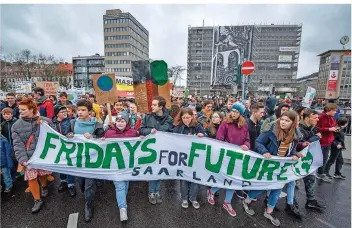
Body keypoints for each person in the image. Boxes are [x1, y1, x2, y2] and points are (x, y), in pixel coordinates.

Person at [243, 110, 300, 227]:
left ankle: (268, 212)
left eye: (287, 121)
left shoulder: (295, 135)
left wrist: (294, 155)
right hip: (268, 166)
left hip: (281, 168)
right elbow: (258, 142)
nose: (283, 122)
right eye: (282, 119)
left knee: (277, 189)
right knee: (263, 187)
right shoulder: (271, 130)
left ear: (293, 123)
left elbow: (291, 149)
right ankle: (247, 200)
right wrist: (265, 152)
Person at [12, 98, 56, 213]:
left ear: (31, 109)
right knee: (31, 178)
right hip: (29, 158)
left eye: (23, 109)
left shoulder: (45, 121)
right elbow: (18, 144)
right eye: (19, 109)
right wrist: (23, 159)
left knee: (42, 174)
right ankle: (37, 199)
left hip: (42, 156)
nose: (20, 112)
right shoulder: (16, 126)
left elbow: (55, 137)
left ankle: (44, 186)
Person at [207, 102, 250, 217]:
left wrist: (246, 145)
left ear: (241, 114)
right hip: (226, 156)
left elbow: (247, 139)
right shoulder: (225, 123)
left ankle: (227, 202)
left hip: (238, 157)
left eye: (237, 112)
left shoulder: (244, 125)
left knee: (234, 180)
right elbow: (219, 139)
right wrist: (227, 148)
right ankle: (212, 191)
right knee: (225, 179)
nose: (234, 113)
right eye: (233, 111)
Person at [66, 100, 105, 222]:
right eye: (79, 110)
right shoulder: (72, 122)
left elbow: (102, 137)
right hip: (78, 159)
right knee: (81, 182)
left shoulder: (96, 124)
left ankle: (88, 204)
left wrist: (93, 137)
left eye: (83, 110)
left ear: (90, 112)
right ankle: (87, 194)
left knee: (89, 184)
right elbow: (66, 134)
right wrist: (69, 135)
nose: (80, 112)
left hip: (92, 160)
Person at [103, 112, 138, 221]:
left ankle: (122, 199)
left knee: (125, 184)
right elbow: (101, 146)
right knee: (120, 186)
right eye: (118, 121)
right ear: (115, 122)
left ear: (127, 122)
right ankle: (122, 208)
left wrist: (142, 137)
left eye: (122, 121)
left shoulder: (133, 133)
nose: (120, 123)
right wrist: (102, 140)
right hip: (115, 165)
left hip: (128, 166)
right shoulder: (109, 133)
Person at [139, 96, 173, 205]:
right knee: (152, 170)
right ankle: (151, 192)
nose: (151, 106)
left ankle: (157, 191)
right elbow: (141, 130)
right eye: (152, 104)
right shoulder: (147, 117)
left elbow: (167, 131)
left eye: (154, 105)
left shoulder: (169, 119)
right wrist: (149, 130)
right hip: (150, 149)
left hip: (163, 148)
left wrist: (156, 131)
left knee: (159, 170)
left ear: (161, 107)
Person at [173, 108, 205, 209]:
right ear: (181, 118)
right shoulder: (178, 127)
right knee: (184, 179)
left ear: (192, 117)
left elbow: (205, 138)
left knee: (195, 179)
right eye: (184, 118)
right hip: (183, 157)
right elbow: (173, 139)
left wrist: (202, 135)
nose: (186, 120)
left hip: (195, 157)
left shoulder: (198, 126)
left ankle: (193, 198)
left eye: (188, 117)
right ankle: (184, 198)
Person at [297, 109, 326, 212]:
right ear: (307, 118)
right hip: (297, 158)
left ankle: (311, 201)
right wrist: (315, 138)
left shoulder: (314, 128)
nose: (318, 119)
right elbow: (300, 144)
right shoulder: (299, 128)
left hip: (308, 159)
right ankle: (291, 204)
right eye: (315, 117)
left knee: (311, 179)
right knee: (292, 181)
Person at [53, 105, 77, 197]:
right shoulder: (52, 122)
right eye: (62, 112)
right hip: (58, 147)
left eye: (65, 111)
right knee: (61, 165)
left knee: (69, 165)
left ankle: (71, 184)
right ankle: (63, 181)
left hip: (69, 147)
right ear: (57, 114)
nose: (65, 113)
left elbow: (74, 131)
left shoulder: (71, 121)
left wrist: (72, 134)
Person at [316, 103, 339, 183]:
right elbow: (316, 128)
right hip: (321, 141)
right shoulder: (320, 117)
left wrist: (335, 129)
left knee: (324, 159)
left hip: (328, 141)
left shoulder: (332, 118)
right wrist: (329, 129)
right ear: (329, 110)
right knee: (318, 158)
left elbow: (333, 127)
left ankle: (321, 173)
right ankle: (317, 173)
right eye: (334, 110)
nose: (335, 112)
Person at [1, 107, 18, 179]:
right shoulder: (2, 124)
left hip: (15, 144)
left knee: (16, 159)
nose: (6, 116)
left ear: (12, 114)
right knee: (10, 160)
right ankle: (13, 175)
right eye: (4, 114)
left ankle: (17, 173)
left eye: (8, 114)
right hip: (7, 146)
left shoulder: (16, 122)